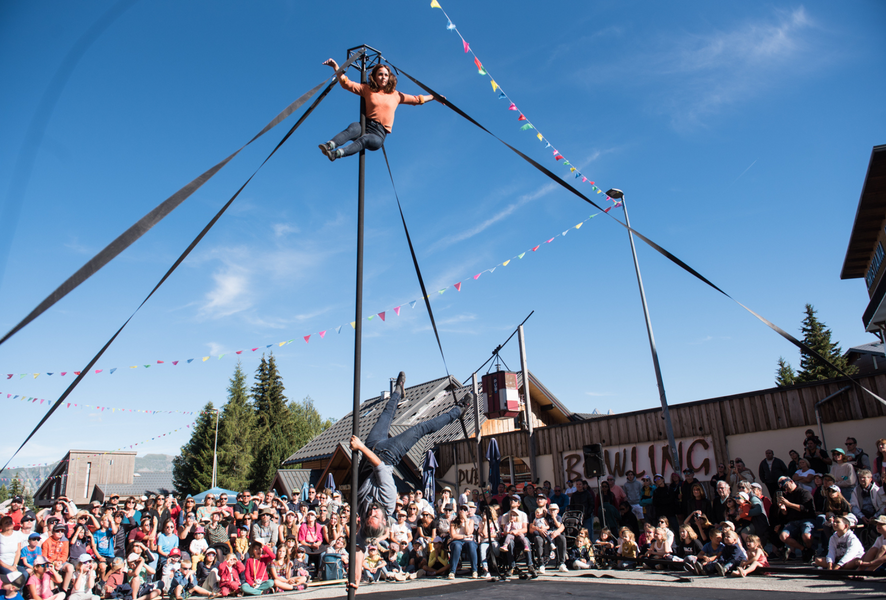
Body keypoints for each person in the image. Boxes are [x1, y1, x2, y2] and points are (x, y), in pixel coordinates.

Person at [318, 60, 442, 162]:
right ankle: (330, 145)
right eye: (380, 74)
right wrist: (336, 67)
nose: (383, 77)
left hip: (378, 134)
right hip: (365, 125)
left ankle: (337, 154)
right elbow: (346, 84)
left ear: (389, 78)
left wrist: (433, 96)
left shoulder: (396, 95)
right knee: (354, 127)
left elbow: (417, 100)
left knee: (364, 140)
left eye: (386, 75)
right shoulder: (367, 89)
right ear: (375, 77)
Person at [775, 476, 816, 562]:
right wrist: (783, 510)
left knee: (806, 535)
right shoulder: (787, 496)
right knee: (783, 536)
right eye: (783, 487)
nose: (785, 489)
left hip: (806, 519)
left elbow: (806, 509)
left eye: (786, 485)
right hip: (793, 521)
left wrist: (789, 504)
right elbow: (786, 514)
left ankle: (810, 551)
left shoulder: (804, 492)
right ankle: (804, 549)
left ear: (791, 481)